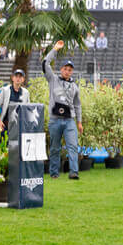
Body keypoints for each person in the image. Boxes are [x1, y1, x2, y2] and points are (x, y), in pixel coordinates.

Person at [42, 41, 83, 180]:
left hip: (69, 121)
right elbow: (45, 64)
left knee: (72, 146)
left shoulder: (75, 86)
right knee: (54, 148)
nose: (67, 71)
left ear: (72, 72)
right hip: (55, 120)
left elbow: (77, 105)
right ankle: (54, 173)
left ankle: (74, 173)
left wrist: (79, 122)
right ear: (61, 69)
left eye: (70, 69)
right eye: (65, 68)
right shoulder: (52, 79)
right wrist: (55, 50)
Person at [0, 69, 31, 133]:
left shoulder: (26, 92)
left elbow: (27, 110)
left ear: (23, 79)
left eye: (20, 77)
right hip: (5, 125)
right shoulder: (5, 90)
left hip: (19, 126)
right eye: (16, 76)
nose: (18, 78)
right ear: (12, 78)